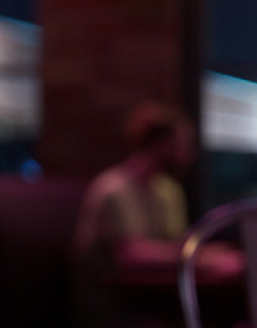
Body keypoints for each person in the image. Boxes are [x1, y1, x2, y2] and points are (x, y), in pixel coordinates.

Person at [74, 102, 242, 327]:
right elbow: (132, 255)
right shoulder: (112, 189)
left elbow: (174, 243)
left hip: (152, 296)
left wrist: (205, 254)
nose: (189, 154)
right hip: (112, 301)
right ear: (159, 144)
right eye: (183, 144)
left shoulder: (167, 190)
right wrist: (201, 259)